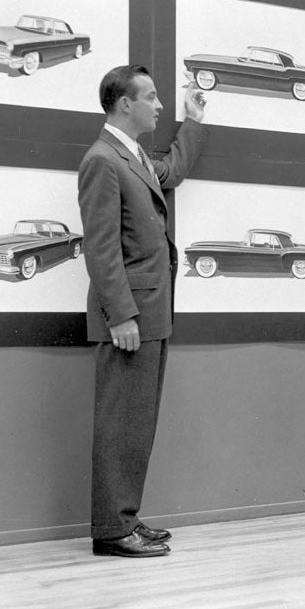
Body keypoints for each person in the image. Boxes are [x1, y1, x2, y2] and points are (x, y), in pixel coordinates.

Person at [78, 65, 207, 557]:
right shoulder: (102, 160)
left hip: (150, 312)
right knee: (121, 424)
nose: (159, 106)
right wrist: (121, 316)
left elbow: (170, 172)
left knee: (136, 423)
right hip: (130, 318)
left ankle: (124, 518)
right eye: (151, 97)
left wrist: (193, 122)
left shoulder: (132, 155)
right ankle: (112, 530)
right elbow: (101, 248)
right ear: (124, 104)